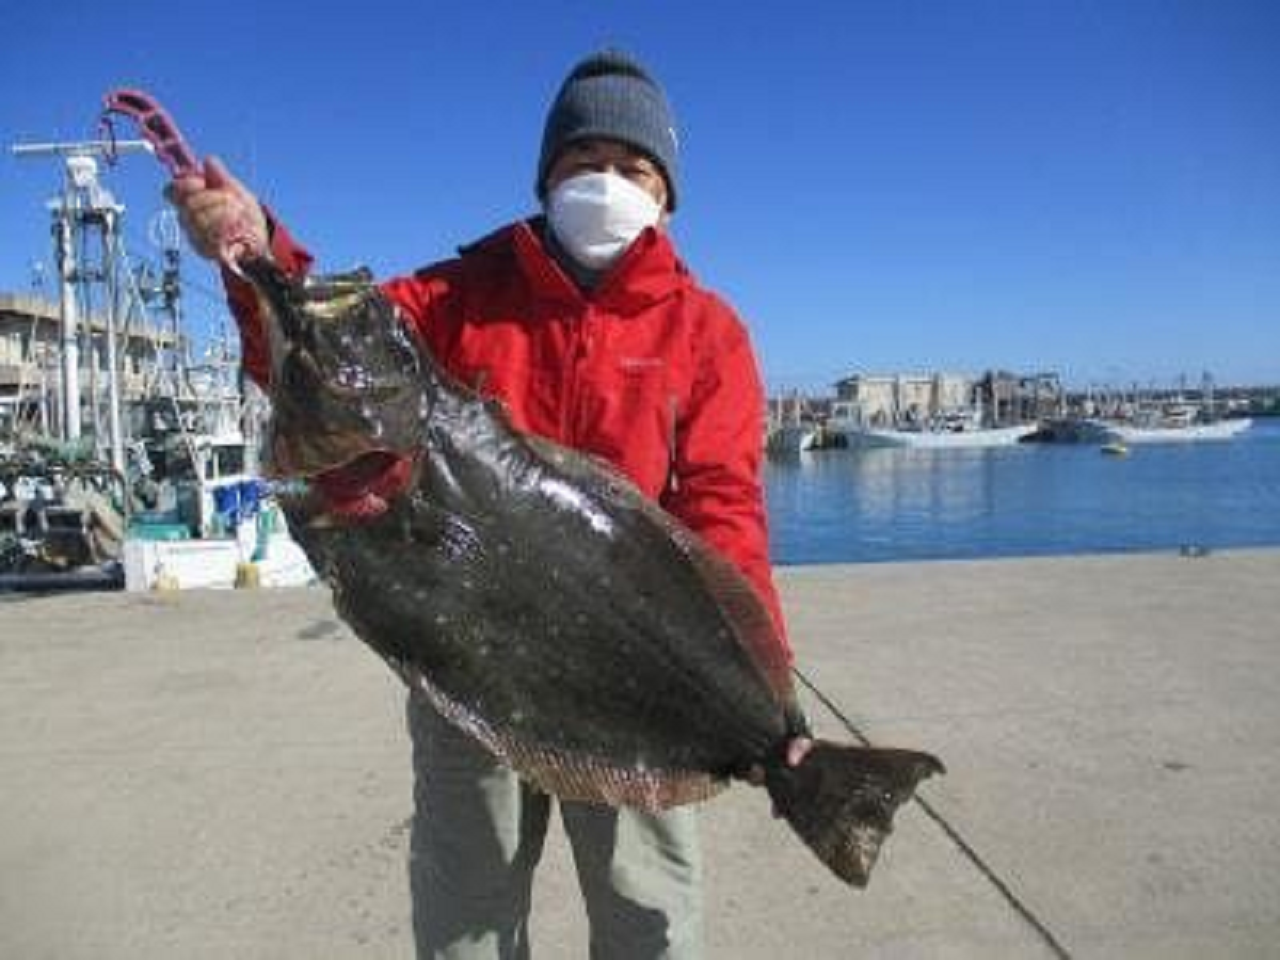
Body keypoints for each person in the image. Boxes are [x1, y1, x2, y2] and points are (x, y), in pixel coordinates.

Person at [168, 49, 807, 960]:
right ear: (546, 177)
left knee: (648, 924)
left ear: (667, 194)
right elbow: (327, 344)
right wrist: (255, 251)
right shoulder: (453, 298)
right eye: (583, 162)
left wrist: (766, 692)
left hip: (627, 680)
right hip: (469, 664)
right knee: (466, 918)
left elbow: (724, 512)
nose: (607, 183)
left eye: (633, 169)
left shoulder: (707, 333)